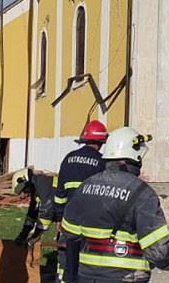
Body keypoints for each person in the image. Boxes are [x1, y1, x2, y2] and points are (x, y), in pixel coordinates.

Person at [61, 126, 169, 282]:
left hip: (86, 277)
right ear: (135, 157)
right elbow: (160, 253)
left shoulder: (85, 187)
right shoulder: (142, 193)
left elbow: (69, 231)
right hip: (126, 277)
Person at [54, 120, 108, 282]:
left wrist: (58, 217)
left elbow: (60, 193)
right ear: (101, 142)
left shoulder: (68, 158)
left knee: (65, 258)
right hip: (91, 222)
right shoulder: (102, 162)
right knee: (87, 260)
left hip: (68, 220)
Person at [12, 168, 57, 247]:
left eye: (23, 191)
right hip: (63, 210)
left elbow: (46, 214)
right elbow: (32, 212)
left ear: (26, 183)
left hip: (71, 211)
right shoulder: (35, 186)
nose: (23, 196)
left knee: (65, 241)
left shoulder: (43, 186)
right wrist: (23, 234)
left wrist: (34, 237)